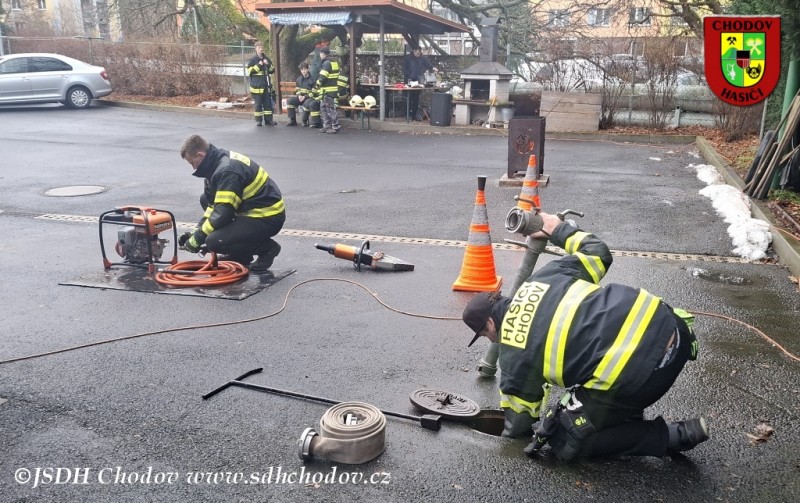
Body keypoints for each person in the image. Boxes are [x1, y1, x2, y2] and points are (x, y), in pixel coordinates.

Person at [462, 211, 708, 461]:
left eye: (485, 334)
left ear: (490, 323)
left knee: (565, 439)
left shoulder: (513, 351)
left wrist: (509, 446)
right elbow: (598, 252)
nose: (491, 340)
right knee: (594, 384)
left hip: (650, 374)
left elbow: (518, 422)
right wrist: (556, 228)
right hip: (676, 330)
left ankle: (674, 435)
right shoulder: (542, 278)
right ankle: (623, 416)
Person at [178, 135, 284, 272]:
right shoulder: (215, 164)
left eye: (192, 163)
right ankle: (241, 255)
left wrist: (199, 239)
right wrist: (195, 233)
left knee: (214, 242)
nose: (193, 168)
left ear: (200, 155)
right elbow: (212, 207)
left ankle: (267, 248)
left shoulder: (227, 171)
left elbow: (223, 213)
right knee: (205, 199)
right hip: (251, 209)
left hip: (267, 216)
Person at [402, 47, 437, 120]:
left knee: (416, 99)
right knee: (409, 98)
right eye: (417, 53)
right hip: (409, 81)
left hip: (418, 80)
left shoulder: (422, 58)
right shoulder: (407, 58)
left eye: (419, 53)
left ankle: (414, 115)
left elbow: (427, 64)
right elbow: (405, 69)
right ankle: (407, 114)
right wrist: (408, 77)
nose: (418, 55)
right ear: (414, 51)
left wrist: (432, 68)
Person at [246, 42, 276, 126]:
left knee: (267, 104)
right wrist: (258, 65)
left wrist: (268, 64)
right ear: (256, 49)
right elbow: (250, 71)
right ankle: (259, 121)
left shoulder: (266, 58)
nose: (261, 49)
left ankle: (268, 120)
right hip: (257, 87)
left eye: (262, 47)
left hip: (266, 86)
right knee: (258, 105)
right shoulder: (253, 60)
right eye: (259, 47)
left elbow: (272, 70)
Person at [314, 47, 341, 134]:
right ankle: (327, 126)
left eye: (320, 54)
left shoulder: (326, 63)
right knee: (324, 108)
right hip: (332, 89)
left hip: (327, 90)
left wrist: (316, 86)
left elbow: (323, 77)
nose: (320, 55)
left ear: (323, 54)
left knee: (329, 109)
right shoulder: (334, 62)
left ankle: (334, 127)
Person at [286, 62, 315, 127]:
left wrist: (305, 97)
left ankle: (304, 121)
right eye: (302, 70)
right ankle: (292, 121)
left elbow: (314, 92)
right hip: (300, 97)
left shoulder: (313, 80)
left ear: (308, 69)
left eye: (304, 69)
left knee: (306, 104)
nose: (303, 71)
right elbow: (297, 90)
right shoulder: (299, 79)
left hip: (309, 98)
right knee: (290, 101)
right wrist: (299, 96)